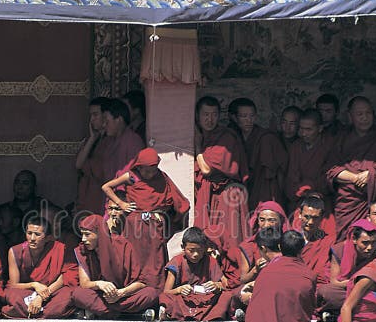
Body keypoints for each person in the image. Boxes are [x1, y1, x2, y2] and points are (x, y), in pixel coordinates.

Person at [102, 147, 190, 290]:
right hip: (133, 226)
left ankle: (156, 293)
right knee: (135, 259)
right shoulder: (131, 176)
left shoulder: (161, 177)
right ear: (139, 166)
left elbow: (178, 202)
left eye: (153, 170)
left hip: (154, 226)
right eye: (146, 171)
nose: (150, 174)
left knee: (155, 261)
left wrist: (164, 215)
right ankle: (133, 291)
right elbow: (106, 187)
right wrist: (121, 204)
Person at [326, 96, 376, 241]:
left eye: (368, 113)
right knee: (346, 240)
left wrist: (371, 174)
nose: (365, 118)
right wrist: (356, 178)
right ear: (350, 116)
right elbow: (331, 169)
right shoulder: (341, 138)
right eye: (359, 114)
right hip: (349, 201)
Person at [193, 96, 250, 256]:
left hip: (227, 196)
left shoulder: (226, 137)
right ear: (197, 116)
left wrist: (197, 146)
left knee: (228, 239)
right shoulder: (203, 135)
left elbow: (205, 169)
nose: (210, 119)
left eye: (214, 114)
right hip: (210, 195)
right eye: (205, 114)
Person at [71, 214, 157, 319]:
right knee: (78, 294)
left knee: (150, 294)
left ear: (100, 233)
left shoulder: (123, 245)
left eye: (87, 235)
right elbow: (84, 284)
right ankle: (128, 314)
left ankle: (106, 312)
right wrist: (99, 284)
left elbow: (141, 283)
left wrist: (120, 293)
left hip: (124, 295)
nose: (83, 239)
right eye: (82, 234)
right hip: (101, 296)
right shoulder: (83, 250)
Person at [1, 215, 77, 319]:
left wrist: (42, 296)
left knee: (67, 294)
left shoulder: (59, 249)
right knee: (12, 295)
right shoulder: (15, 251)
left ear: (48, 238)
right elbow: (14, 285)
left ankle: (28, 311)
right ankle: (45, 312)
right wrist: (34, 285)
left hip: (51, 291)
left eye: (37, 234)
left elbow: (65, 277)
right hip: (26, 291)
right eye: (29, 233)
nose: (32, 238)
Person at [159, 227, 232, 321]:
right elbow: (167, 292)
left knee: (227, 295)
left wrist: (217, 286)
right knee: (164, 297)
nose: (196, 254)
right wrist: (179, 290)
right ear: (183, 247)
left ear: (205, 248)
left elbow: (225, 285)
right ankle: (178, 313)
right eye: (191, 250)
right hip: (185, 300)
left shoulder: (210, 261)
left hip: (206, 299)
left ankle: (177, 315)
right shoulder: (176, 262)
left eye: (200, 250)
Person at [316, 219, 376, 319]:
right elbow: (334, 282)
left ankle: (338, 311)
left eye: (373, 243)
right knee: (326, 292)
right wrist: (356, 283)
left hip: (365, 291)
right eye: (365, 243)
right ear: (354, 239)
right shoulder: (339, 250)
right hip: (344, 290)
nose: (370, 247)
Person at [232, 98, 287, 209]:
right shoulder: (233, 137)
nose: (249, 120)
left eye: (252, 116)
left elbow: (281, 166)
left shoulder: (267, 138)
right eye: (244, 116)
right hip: (243, 186)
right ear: (235, 118)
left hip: (263, 187)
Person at [286, 109, 334, 210]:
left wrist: (312, 189)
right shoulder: (296, 146)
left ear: (320, 128)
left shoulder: (329, 145)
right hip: (299, 198)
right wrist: (302, 190)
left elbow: (329, 176)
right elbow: (291, 176)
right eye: (301, 129)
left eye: (308, 129)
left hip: (322, 199)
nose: (303, 133)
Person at [75, 97, 111, 214]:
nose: (92, 120)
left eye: (95, 115)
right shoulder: (94, 139)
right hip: (87, 194)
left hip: (99, 195)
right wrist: (91, 139)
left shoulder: (111, 140)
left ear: (105, 116)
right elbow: (78, 164)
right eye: (90, 116)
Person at [100, 98, 145, 186]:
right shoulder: (108, 142)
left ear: (119, 120)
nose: (104, 125)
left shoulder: (133, 141)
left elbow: (135, 177)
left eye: (107, 121)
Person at [295, 195, 334, 285]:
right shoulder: (291, 238)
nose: (310, 222)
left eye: (315, 218)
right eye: (307, 217)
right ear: (299, 214)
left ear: (322, 217)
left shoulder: (328, 242)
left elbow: (326, 272)